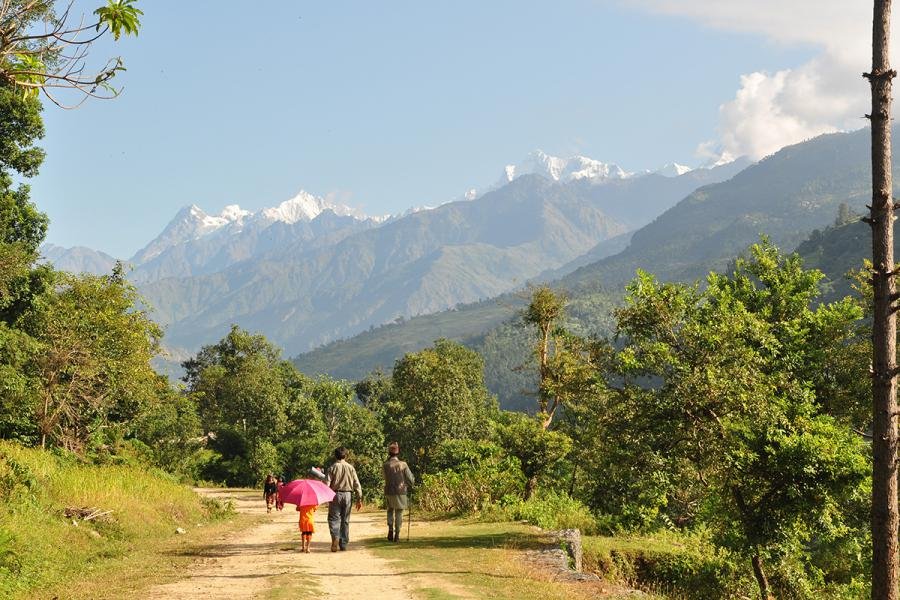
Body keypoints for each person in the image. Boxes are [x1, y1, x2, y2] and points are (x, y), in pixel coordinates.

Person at [325, 447, 362, 552]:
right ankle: (344, 543)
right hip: (348, 495)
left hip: (334, 495)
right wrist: (359, 498)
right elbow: (357, 484)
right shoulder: (351, 468)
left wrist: (326, 497)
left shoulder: (332, 467)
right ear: (346, 456)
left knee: (333, 518)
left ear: (335, 456)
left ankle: (335, 538)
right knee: (345, 520)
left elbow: (327, 484)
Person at [382, 441, 415, 542]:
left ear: (389, 453)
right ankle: (397, 534)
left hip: (389, 491)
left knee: (390, 510)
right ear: (398, 453)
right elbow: (410, 479)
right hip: (400, 491)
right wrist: (410, 484)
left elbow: (384, 477)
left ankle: (390, 529)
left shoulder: (385, 465)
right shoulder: (403, 464)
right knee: (399, 512)